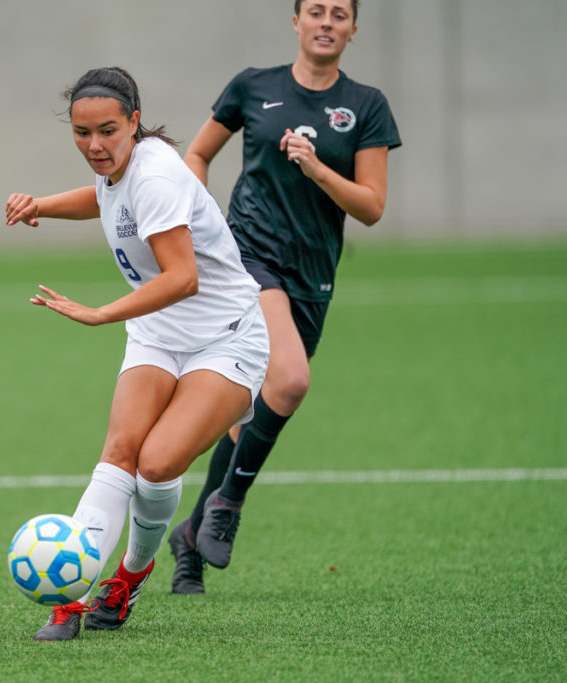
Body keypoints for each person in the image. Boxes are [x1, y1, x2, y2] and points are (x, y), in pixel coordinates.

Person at [4, 66, 269, 641]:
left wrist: (101, 313)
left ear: (135, 123)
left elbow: (183, 278)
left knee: (155, 465)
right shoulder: (118, 168)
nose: (94, 146)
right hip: (157, 331)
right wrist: (42, 206)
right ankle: (71, 600)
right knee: (121, 450)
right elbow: (102, 198)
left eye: (107, 131)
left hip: (226, 337)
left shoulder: (156, 177)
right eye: (81, 133)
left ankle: (131, 573)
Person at [167, 0, 402, 594]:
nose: (327, 22)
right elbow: (196, 153)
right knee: (291, 381)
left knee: (246, 416)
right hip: (248, 257)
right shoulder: (253, 87)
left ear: (353, 28)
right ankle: (229, 505)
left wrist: (318, 168)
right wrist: (201, 223)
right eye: (315, 11)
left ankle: (191, 534)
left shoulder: (368, 105)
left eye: (339, 14)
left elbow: (371, 208)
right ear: (295, 22)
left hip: (314, 273)